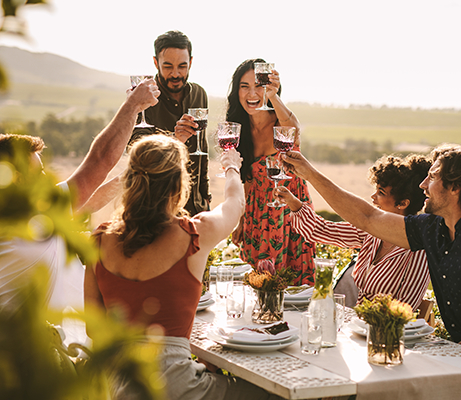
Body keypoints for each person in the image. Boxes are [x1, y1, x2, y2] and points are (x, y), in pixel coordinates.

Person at [281, 145, 461, 400]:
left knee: (399, 390)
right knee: (375, 382)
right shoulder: (433, 229)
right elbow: (368, 218)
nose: (422, 184)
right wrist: (308, 172)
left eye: (433, 176)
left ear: (455, 187)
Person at [83, 135, 281, 400]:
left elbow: (94, 330)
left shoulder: (98, 240)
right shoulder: (195, 234)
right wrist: (232, 166)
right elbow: (235, 204)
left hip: (117, 385)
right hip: (175, 388)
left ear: (129, 182)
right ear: (179, 185)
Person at [0, 79, 160, 310]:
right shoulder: (29, 216)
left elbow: (86, 202)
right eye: (38, 174)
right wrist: (132, 106)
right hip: (48, 343)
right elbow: (100, 160)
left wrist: (132, 175)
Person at [276, 154, 431, 310]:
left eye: (381, 193)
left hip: (385, 329)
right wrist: (294, 203)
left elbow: (404, 308)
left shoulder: (418, 251)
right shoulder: (371, 233)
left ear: (403, 203)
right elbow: (322, 230)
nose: (373, 197)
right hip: (358, 324)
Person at [227, 59, 315, 285]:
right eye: (244, 86)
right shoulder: (238, 129)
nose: (251, 93)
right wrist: (241, 220)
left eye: (259, 86)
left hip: (290, 213)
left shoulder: (281, 122)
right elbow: (247, 179)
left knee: (293, 290)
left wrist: (274, 96)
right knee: (259, 287)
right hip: (257, 216)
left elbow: (293, 128)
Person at [129, 30, 210, 216]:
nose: (176, 74)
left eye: (182, 66)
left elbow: (201, 151)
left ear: (190, 62)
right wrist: (174, 139)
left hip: (195, 208)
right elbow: (136, 156)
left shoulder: (199, 94)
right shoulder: (141, 98)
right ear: (155, 63)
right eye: (167, 67)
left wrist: (205, 199)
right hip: (153, 209)